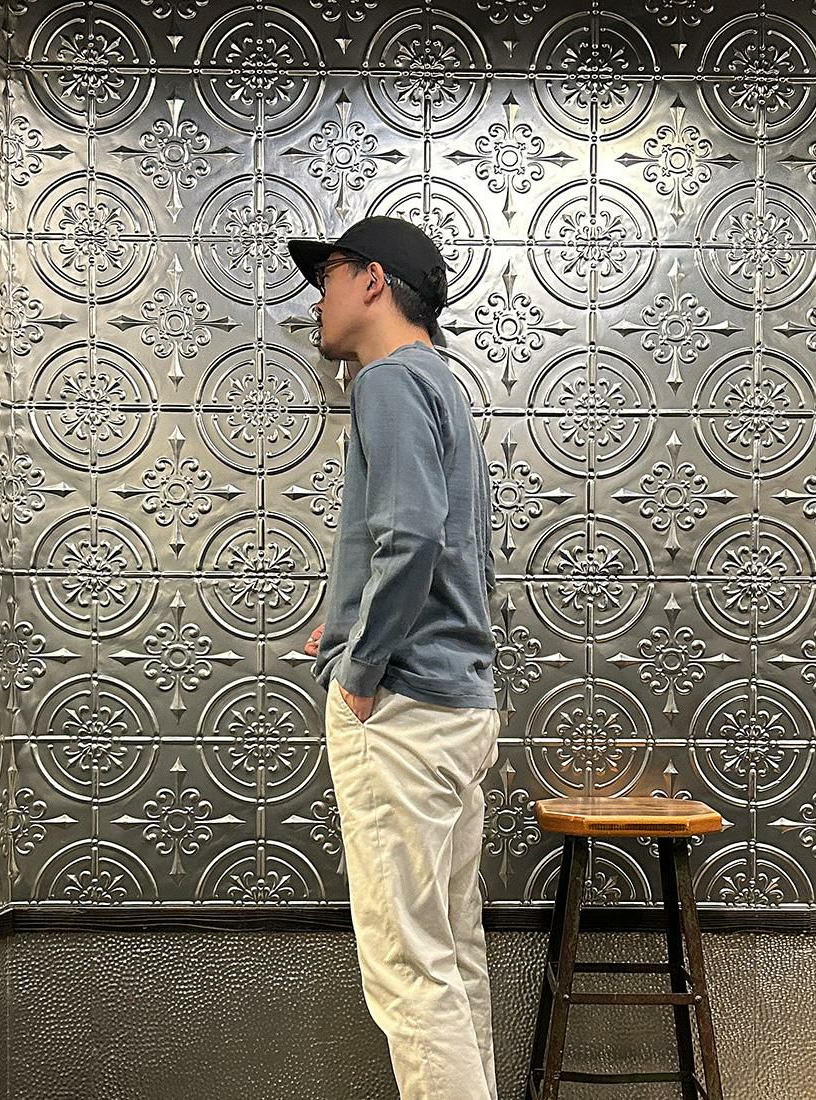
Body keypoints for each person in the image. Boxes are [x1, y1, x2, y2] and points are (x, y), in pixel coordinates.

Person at [286, 216, 502, 1100]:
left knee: (409, 974)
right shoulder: (441, 384)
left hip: (403, 713)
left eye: (328, 276)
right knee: (450, 957)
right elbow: (453, 551)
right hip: (457, 704)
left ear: (372, 280)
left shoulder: (384, 381)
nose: (318, 298)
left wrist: (360, 671)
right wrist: (346, 623)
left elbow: (410, 538)